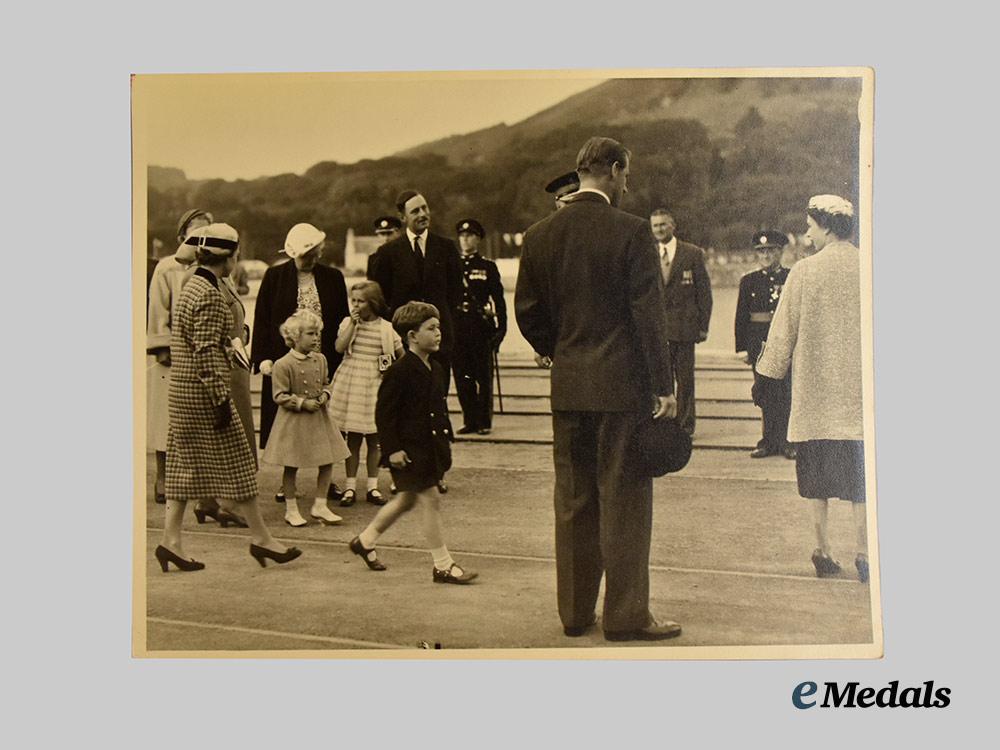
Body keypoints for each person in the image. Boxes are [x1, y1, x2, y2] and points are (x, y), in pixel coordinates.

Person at [515, 136, 682, 641]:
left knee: (573, 501)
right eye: (625, 173)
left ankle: (574, 613)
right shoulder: (632, 233)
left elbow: (527, 313)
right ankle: (627, 616)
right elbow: (648, 317)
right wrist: (664, 385)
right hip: (621, 391)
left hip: (569, 390)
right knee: (624, 502)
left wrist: (561, 350)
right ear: (611, 170)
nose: (627, 183)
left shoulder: (540, 235)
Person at [157, 223, 301, 572]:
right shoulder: (208, 293)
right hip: (204, 394)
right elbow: (205, 352)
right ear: (229, 257)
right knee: (238, 463)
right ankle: (262, 540)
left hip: (184, 392)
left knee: (182, 467)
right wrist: (221, 400)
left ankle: (170, 543)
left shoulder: (194, 284)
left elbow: (199, 342)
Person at [756, 195, 869, 583]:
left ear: (826, 226)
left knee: (816, 479)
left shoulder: (804, 272)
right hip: (859, 396)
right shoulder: (869, 266)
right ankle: (866, 552)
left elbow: (782, 332)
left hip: (816, 394)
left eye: (810, 225)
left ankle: (822, 550)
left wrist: (767, 375)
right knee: (861, 481)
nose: (806, 232)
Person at [348, 302, 478, 585]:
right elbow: (384, 414)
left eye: (439, 327)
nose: (438, 333)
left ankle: (365, 540)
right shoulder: (400, 371)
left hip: (429, 449)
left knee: (406, 500)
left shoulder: (436, 367)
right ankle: (442, 565)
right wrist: (392, 449)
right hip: (408, 451)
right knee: (429, 499)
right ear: (411, 336)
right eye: (431, 328)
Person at [251, 223, 350, 504]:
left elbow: (343, 319)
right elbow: (263, 319)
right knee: (288, 422)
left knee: (327, 421)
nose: (313, 259)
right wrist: (264, 358)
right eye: (307, 255)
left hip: (323, 361)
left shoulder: (333, 277)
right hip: (287, 361)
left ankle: (327, 480)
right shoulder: (274, 276)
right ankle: (288, 483)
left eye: (316, 253)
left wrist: (344, 355)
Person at [147, 209, 213, 505]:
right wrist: (162, 346)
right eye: (195, 234)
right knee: (167, 418)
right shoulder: (167, 267)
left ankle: (198, 483)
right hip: (173, 353)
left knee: (199, 420)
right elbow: (158, 310)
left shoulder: (214, 268)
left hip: (203, 353)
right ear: (181, 236)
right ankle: (163, 476)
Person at [261, 310, 351, 527]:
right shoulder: (283, 364)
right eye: (310, 334)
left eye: (317, 334)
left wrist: (324, 395)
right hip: (294, 421)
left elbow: (327, 382)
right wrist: (302, 403)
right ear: (295, 336)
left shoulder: (320, 359)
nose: (315, 338)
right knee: (292, 465)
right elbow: (279, 395)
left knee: (327, 461)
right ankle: (291, 509)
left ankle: (320, 505)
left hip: (319, 419)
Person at [367, 190, 462, 392]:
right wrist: (396, 325)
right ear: (403, 217)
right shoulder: (388, 252)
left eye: (425, 208)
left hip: (439, 337)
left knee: (438, 395)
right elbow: (379, 296)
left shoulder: (446, 247)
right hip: (402, 340)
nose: (422, 214)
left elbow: (455, 292)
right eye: (415, 211)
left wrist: (443, 323)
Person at [328, 280, 403, 507]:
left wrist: (390, 371)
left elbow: (401, 356)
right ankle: (350, 486)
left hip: (374, 385)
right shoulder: (348, 324)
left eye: (361, 301)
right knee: (353, 439)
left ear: (373, 303)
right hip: (351, 384)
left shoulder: (386, 329)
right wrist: (352, 323)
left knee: (374, 439)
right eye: (354, 301)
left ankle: (372, 486)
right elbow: (339, 348)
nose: (357, 305)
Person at [650, 208, 712, 436]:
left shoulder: (692, 253)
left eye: (663, 225)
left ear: (672, 225)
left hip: (685, 329)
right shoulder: (646, 253)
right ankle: (661, 423)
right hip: (657, 331)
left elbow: (704, 293)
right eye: (655, 225)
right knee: (658, 378)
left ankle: (685, 426)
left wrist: (704, 326)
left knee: (685, 380)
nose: (659, 229)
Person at [735, 230, 796, 459]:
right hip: (759, 344)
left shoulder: (791, 278)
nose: (766, 255)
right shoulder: (748, 281)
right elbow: (741, 316)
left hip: (785, 342)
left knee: (787, 391)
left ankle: (788, 442)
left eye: (771, 250)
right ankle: (768, 441)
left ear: (780, 252)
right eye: (762, 251)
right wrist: (741, 347)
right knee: (764, 392)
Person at [452, 218, 507, 435]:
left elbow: (499, 301)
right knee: (462, 376)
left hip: (481, 329)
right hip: (458, 328)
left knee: (483, 377)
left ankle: (484, 421)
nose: (465, 239)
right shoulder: (452, 266)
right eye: (462, 236)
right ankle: (470, 420)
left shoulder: (487, 267)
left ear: (478, 239)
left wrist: (501, 330)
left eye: (470, 235)